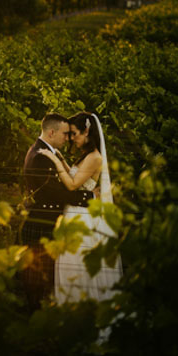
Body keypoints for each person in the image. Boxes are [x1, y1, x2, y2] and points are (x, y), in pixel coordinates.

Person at [37, 112, 123, 303]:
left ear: (87, 132)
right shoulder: (86, 156)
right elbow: (75, 174)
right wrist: (62, 159)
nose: (72, 138)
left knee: (77, 262)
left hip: (82, 216)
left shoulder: (95, 157)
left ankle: (81, 304)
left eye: (75, 133)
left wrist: (55, 161)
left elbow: (73, 184)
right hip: (74, 212)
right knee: (70, 262)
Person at [20, 113, 95, 309]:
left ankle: (42, 316)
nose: (67, 138)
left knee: (45, 277)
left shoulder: (45, 152)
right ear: (52, 132)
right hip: (42, 224)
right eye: (64, 133)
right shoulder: (40, 156)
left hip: (46, 222)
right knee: (37, 279)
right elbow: (56, 194)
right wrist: (90, 197)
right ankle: (34, 321)